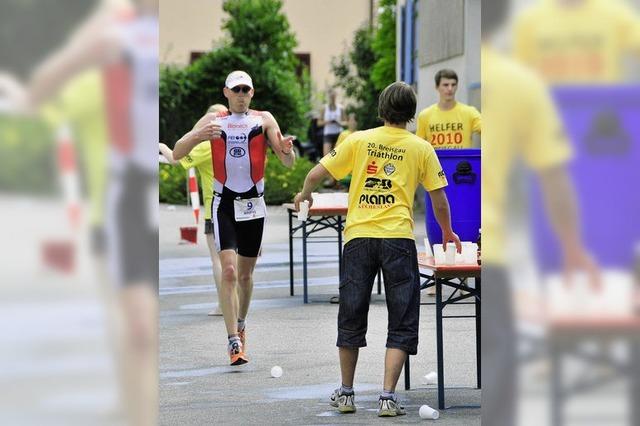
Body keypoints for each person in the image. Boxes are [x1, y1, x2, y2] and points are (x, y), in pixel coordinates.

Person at [294, 81, 462, 417]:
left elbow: (315, 173)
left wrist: (305, 195)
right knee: (402, 317)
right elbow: (438, 198)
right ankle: (387, 397)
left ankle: (346, 393)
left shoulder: (358, 140)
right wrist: (448, 232)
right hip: (398, 238)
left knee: (351, 313)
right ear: (411, 115)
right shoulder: (421, 148)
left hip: (358, 237)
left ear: (381, 110)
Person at [173, 70, 295, 366]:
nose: (241, 95)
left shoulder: (264, 119)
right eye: (236, 90)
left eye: (246, 90)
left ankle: (241, 323)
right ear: (226, 92)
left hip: (253, 204)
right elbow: (177, 152)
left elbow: (287, 162)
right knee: (228, 271)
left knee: (245, 275)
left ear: (252, 93)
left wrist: (287, 151)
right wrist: (198, 135)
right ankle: (233, 342)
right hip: (224, 203)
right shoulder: (214, 120)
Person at [159, 104, 233, 317]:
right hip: (239, 207)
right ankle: (237, 303)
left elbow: (174, 158)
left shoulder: (206, 147)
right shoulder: (234, 141)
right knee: (235, 262)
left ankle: (224, 306)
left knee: (218, 261)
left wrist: (160, 144)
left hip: (215, 208)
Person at [416, 69, 481, 149]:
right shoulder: (425, 115)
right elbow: (418, 147)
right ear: (437, 87)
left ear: (457, 86)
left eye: (453, 85)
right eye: (445, 85)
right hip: (435, 161)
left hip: (461, 161)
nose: (450, 88)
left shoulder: (470, 112)